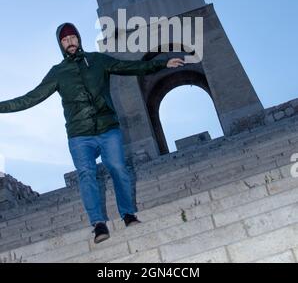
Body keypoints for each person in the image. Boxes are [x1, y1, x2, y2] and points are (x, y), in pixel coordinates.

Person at [0, 23, 185, 243]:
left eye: (73, 37)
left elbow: (129, 67)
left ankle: (128, 214)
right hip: (80, 135)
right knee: (86, 174)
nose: (70, 42)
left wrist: (161, 63)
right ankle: (98, 224)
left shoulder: (98, 61)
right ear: (60, 45)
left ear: (79, 39)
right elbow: (31, 97)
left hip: (108, 129)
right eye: (65, 40)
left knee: (118, 168)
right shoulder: (58, 72)